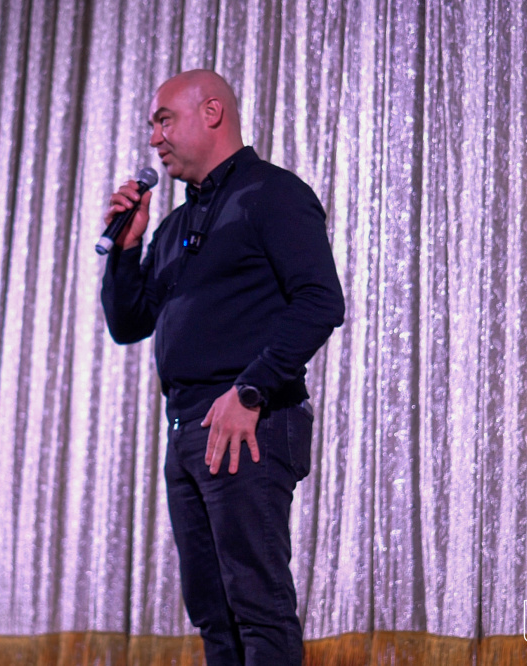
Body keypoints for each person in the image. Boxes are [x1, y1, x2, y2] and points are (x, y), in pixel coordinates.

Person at [100, 69, 344, 666]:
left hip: (248, 422)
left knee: (257, 606)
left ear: (211, 113)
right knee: (215, 615)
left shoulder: (272, 193)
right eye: (152, 125)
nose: (154, 138)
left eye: (164, 120)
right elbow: (129, 323)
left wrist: (250, 391)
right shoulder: (175, 226)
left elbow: (321, 301)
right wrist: (127, 249)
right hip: (186, 429)